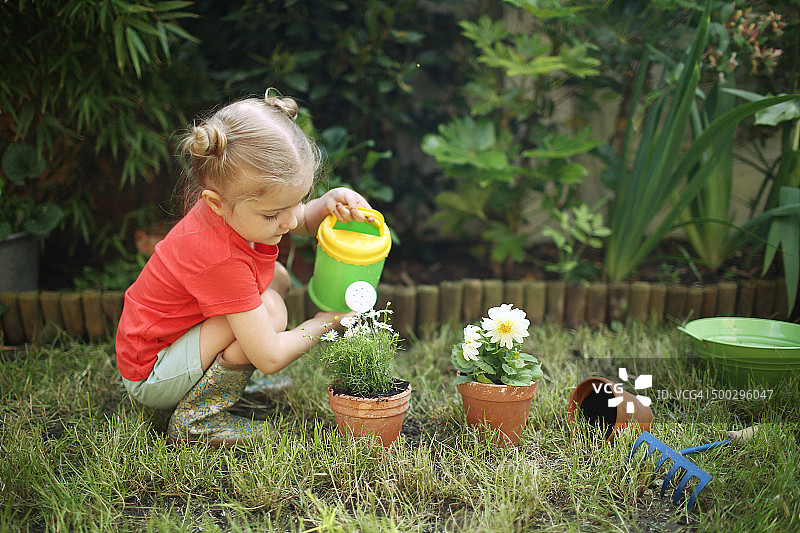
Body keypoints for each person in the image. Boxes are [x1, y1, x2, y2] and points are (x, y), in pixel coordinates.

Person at [115, 89, 372, 447]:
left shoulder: (237, 207)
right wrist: (324, 321)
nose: (289, 221)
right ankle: (198, 418)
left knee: (276, 278)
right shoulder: (220, 258)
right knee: (268, 312)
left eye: (298, 201)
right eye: (272, 214)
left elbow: (293, 217)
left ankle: (233, 376)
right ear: (216, 204)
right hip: (155, 373)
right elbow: (269, 356)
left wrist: (327, 203)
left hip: (171, 342)